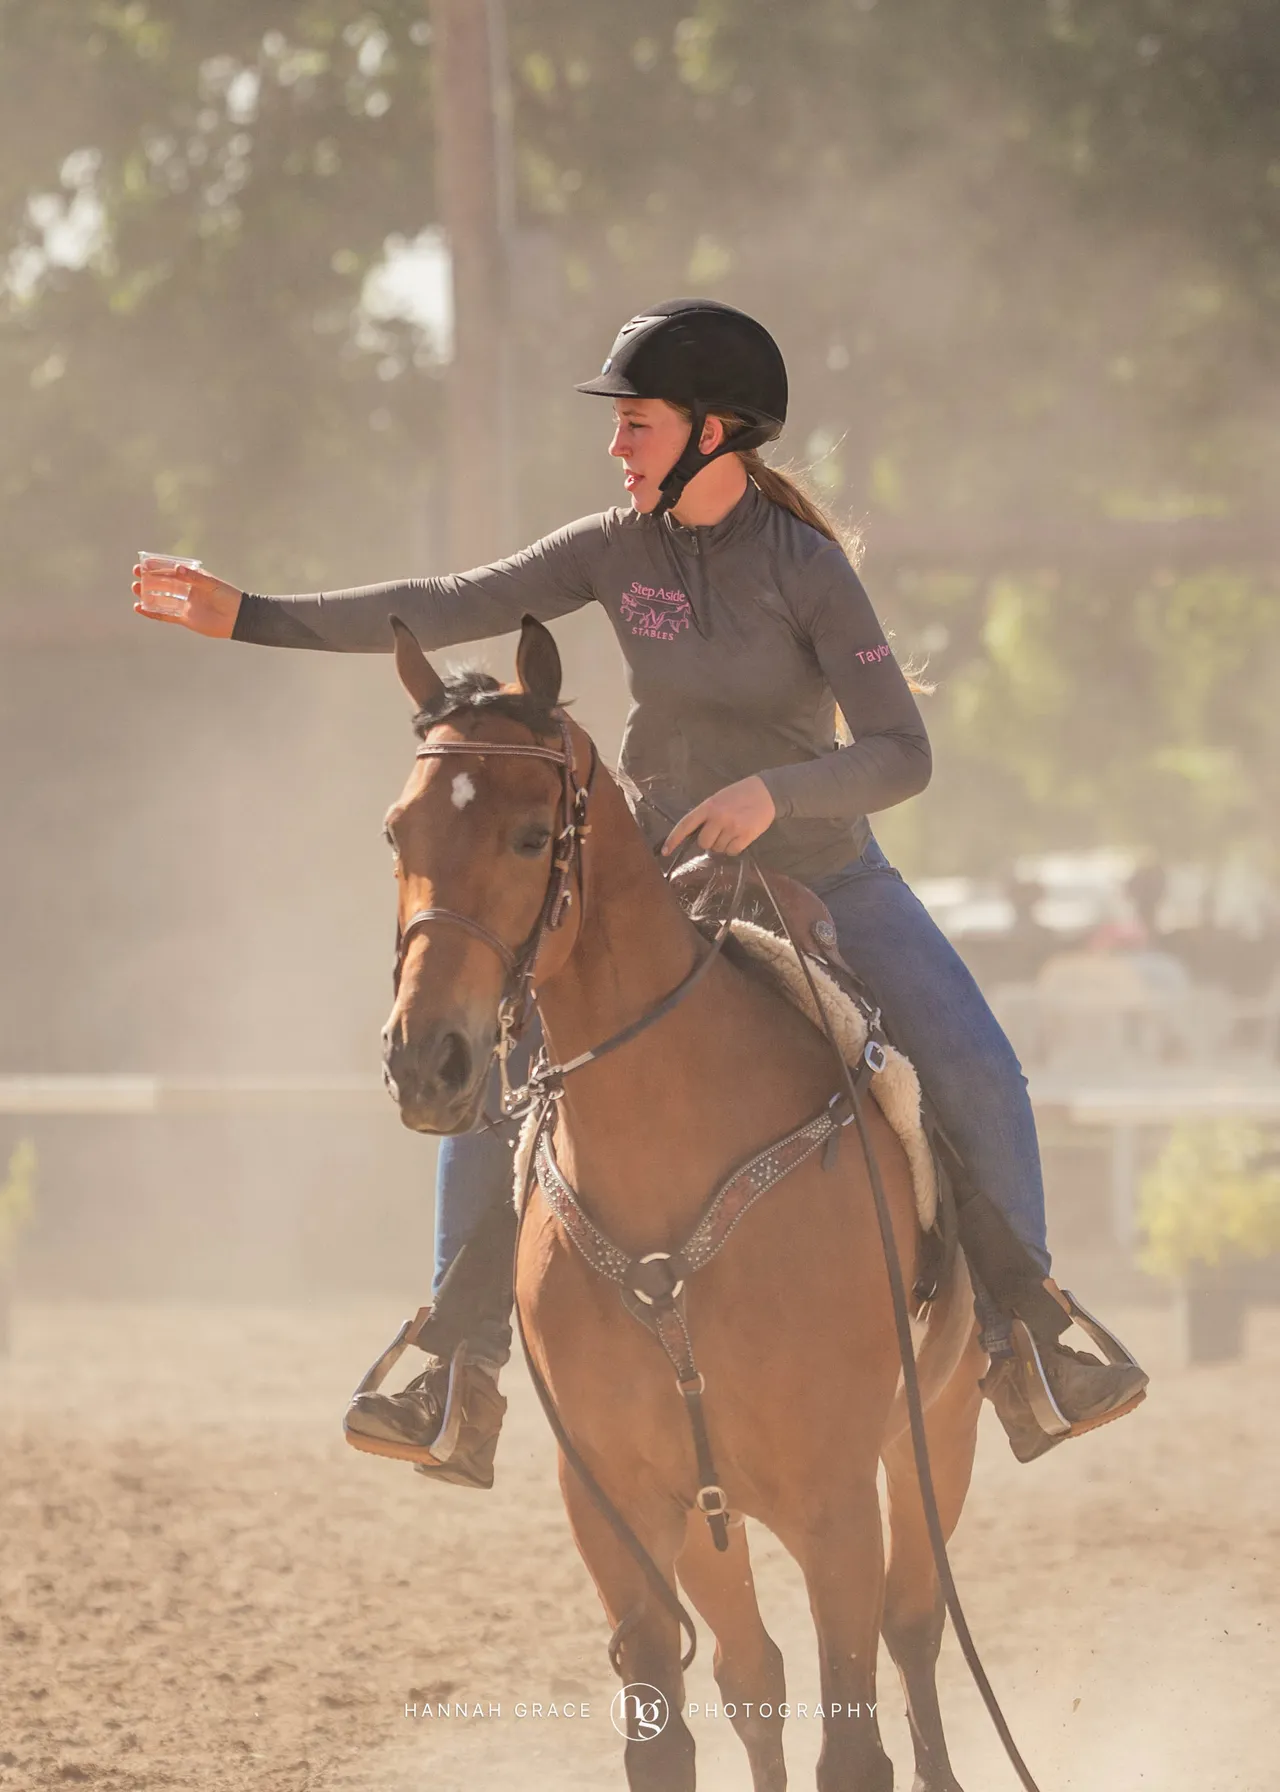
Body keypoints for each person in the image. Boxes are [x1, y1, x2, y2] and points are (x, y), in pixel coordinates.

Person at [134, 297, 1147, 1475]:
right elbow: (445, 601)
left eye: (637, 424)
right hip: (656, 874)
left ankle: (1029, 1346)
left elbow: (899, 753)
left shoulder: (809, 571)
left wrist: (772, 795)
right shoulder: (609, 546)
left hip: (822, 870)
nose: (614, 445)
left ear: (713, 433)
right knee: (505, 1071)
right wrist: (246, 615)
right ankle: (457, 1369)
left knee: (974, 1063)